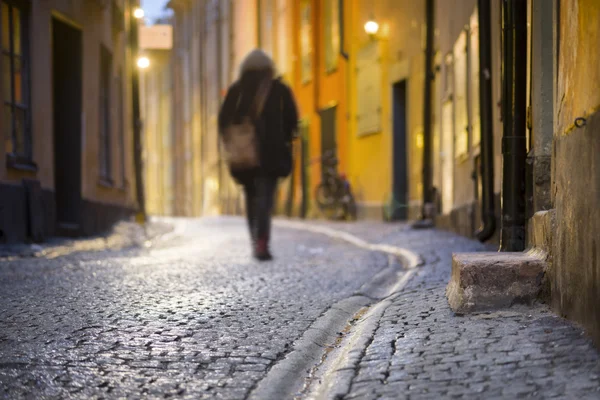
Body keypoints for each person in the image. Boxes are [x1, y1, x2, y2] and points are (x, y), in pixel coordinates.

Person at [218, 49, 299, 261]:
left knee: (252, 198)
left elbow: (223, 120)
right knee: (265, 198)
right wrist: (286, 138)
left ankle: (255, 239)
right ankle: (262, 241)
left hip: (245, 156)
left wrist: (232, 141)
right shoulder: (279, 89)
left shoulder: (237, 90)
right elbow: (292, 118)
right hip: (272, 153)